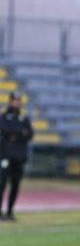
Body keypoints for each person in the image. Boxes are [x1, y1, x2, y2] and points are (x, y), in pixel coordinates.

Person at [0, 92, 33, 221]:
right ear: (10, 101)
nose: (17, 103)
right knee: (2, 184)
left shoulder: (24, 118)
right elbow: (4, 130)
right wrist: (18, 132)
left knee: (15, 185)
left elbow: (29, 134)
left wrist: (14, 134)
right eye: (14, 100)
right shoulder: (4, 116)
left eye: (18, 100)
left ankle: (10, 211)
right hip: (5, 155)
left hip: (19, 157)